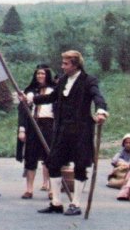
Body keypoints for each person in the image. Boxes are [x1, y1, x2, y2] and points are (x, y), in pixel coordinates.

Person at [20, 50, 108, 216]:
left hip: (81, 131)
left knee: (80, 166)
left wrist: (101, 111)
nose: (62, 66)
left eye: (65, 63)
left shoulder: (88, 81)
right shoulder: (63, 81)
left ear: (75, 64)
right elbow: (52, 97)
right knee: (53, 163)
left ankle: (75, 204)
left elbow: (98, 97)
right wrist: (30, 99)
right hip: (62, 130)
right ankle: (56, 202)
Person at [16, 64, 56, 199]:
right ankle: (29, 189)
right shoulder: (29, 91)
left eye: (43, 74)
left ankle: (52, 190)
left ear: (47, 75)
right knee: (30, 157)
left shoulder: (54, 90)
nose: (40, 76)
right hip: (33, 124)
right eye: (38, 73)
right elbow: (22, 112)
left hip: (49, 125)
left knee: (50, 157)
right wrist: (22, 129)